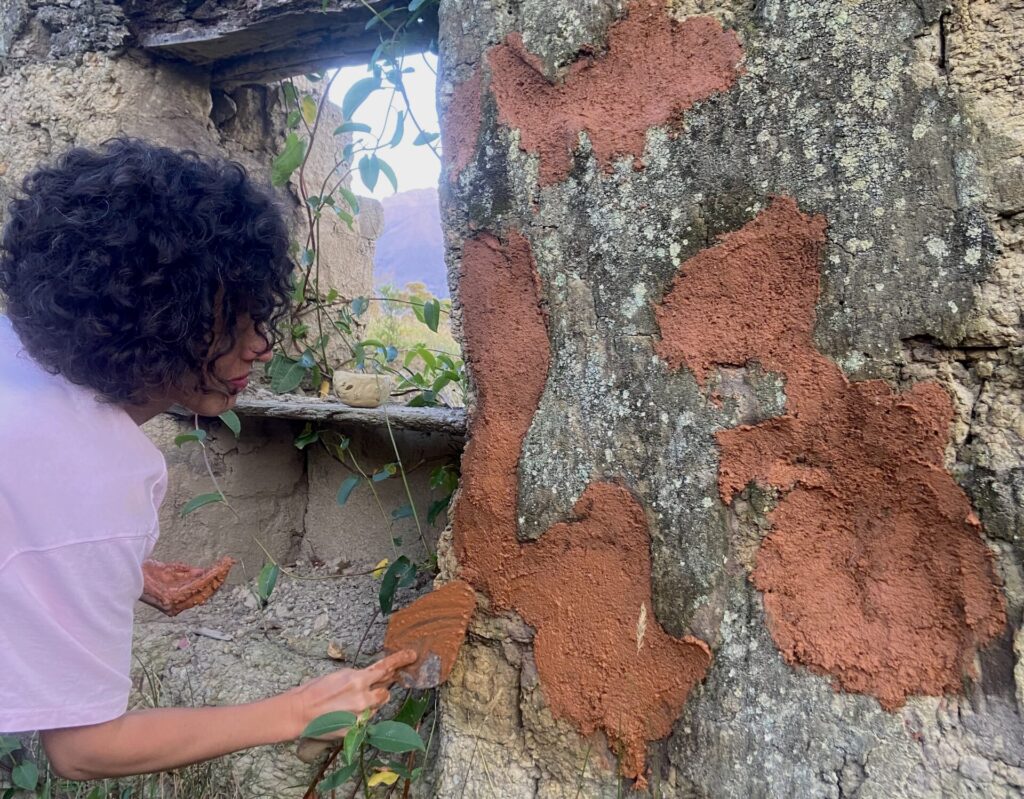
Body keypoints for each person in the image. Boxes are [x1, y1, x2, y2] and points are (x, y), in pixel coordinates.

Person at [0, 137, 415, 780]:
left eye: (258, 315)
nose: (261, 346)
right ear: (154, 319)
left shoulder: (17, 359)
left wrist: (115, 572)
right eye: (231, 322)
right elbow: (84, 748)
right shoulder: (93, 471)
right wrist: (299, 710)